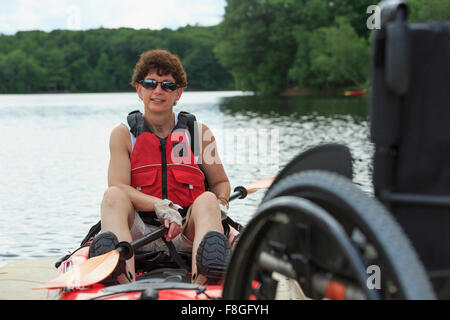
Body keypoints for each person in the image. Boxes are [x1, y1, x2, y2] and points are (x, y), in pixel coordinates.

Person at [89, 49, 232, 285]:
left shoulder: (199, 134)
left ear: (178, 93)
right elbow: (119, 187)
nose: (158, 90)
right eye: (150, 83)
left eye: (167, 85)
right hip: (140, 233)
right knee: (112, 195)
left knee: (207, 199)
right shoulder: (123, 135)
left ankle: (204, 281)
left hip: (187, 229)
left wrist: (222, 203)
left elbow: (220, 183)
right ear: (139, 89)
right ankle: (120, 280)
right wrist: (161, 206)